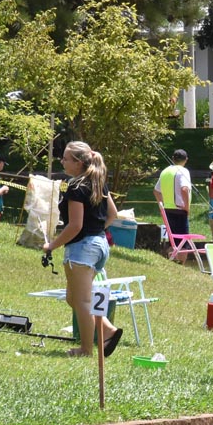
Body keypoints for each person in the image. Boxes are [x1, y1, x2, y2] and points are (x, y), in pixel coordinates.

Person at [42, 141, 122, 359]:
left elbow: (75, 226)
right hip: (99, 245)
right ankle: (107, 330)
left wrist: (51, 245)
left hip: (83, 248)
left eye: (66, 158)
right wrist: (95, 231)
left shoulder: (77, 188)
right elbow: (112, 215)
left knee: (82, 301)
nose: (62, 161)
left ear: (77, 163)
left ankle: (86, 350)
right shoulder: (98, 182)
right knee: (74, 297)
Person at [153, 149, 192, 260]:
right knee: (183, 242)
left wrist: (161, 204)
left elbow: (156, 191)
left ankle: (172, 263)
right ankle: (181, 267)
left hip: (167, 210)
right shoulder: (184, 171)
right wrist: (186, 207)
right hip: (180, 210)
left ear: (172, 158)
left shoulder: (165, 171)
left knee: (173, 241)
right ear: (186, 160)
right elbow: (184, 189)